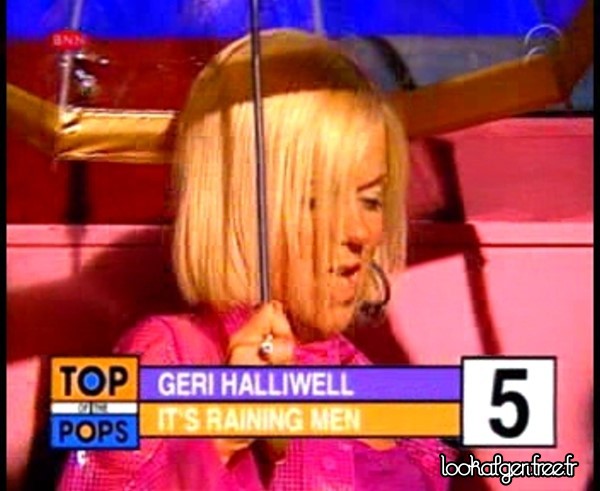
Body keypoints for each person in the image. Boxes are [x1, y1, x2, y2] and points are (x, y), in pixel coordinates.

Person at [58, 28, 457, 491]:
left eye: (370, 200)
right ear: (239, 206)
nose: (361, 232)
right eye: (315, 200)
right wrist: (220, 435)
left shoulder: (378, 384)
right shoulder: (157, 355)